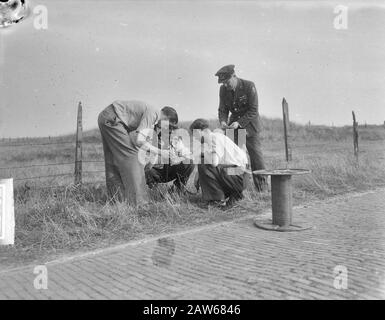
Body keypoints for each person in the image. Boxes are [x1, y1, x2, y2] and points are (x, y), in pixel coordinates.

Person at [97, 100, 173, 206]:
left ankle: (117, 200)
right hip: (112, 119)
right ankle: (140, 202)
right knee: (132, 156)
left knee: (113, 160)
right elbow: (139, 140)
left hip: (108, 117)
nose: (165, 128)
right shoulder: (154, 113)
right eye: (167, 125)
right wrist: (161, 152)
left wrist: (153, 156)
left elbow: (138, 140)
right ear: (166, 119)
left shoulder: (151, 116)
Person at [215, 64, 267, 191]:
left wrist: (239, 123)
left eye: (227, 82)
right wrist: (222, 121)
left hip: (250, 126)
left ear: (234, 76)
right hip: (233, 127)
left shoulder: (249, 86)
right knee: (235, 158)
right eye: (223, 83)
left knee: (256, 158)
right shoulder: (223, 90)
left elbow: (253, 110)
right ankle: (239, 188)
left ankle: (262, 188)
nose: (225, 85)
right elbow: (222, 109)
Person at [188, 118, 248, 209]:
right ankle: (235, 194)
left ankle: (217, 200)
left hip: (239, 176)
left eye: (194, 135)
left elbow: (214, 163)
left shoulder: (213, 138)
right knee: (204, 162)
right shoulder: (215, 137)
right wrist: (198, 174)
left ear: (199, 132)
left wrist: (202, 154)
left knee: (204, 164)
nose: (194, 138)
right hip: (241, 175)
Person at [144, 106, 194, 193]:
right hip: (152, 170)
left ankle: (177, 189)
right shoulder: (149, 129)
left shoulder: (174, 136)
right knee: (146, 170)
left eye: (171, 126)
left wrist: (183, 154)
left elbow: (182, 151)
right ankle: (152, 190)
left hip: (167, 171)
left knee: (189, 162)